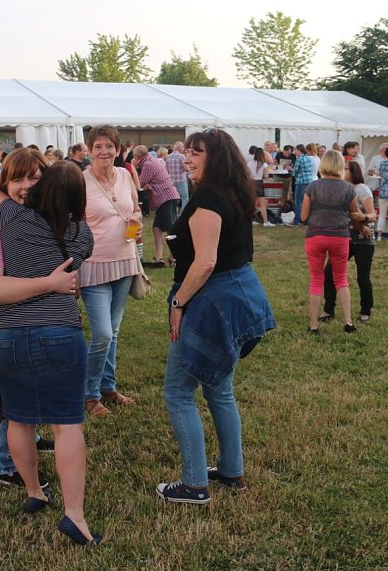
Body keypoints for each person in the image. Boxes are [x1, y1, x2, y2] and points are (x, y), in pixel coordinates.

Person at [0, 161, 100, 544]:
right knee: (66, 425)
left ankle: (34, 491)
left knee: (18, 418)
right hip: (59, 332)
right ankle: (74, 515)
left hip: (7, 335)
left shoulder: (12, 218)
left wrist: (12, 188)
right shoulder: (82, 234)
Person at [156, 128, 275, 504]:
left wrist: (178, 305)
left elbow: (205, 262)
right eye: (187, 151)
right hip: (235, 291)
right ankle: (230, 469)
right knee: (219, 389)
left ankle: (194, 484)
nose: (187, 158)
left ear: (216, 157)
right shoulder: (234, 189)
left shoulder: (208, 196)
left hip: (211, 298)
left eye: (197, 152)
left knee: (178, 391)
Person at [0, 148, 64, 487]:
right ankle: (7, 466)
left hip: (13, 309)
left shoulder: (39, 214)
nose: (26, 186)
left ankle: (27, 441)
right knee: (16, 390)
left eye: (34, 177)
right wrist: (50, 284)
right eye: (17, 178)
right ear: (5, 184)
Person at [81, 126, 140, 417]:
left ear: (118, 149)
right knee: (102, 333)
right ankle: (89, 395)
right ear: (89, 149)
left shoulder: (126, 175)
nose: (104, 151)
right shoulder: (81, 181)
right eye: (98, 146)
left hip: (125, 260)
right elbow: (71, 224)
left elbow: (137, 208)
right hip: (93, 265)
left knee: (114, 332)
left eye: (110, 146)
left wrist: (136, 221)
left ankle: (108, 387)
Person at [302, 150, 364, 333]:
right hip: (340, 236)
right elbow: (354, 216)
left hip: (316, 235)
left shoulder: (312, 187)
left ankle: (314, 325)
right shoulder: (348, 188)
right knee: (341, 279)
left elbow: (304, 216)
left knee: (316, 279)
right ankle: (348, 322)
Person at [321, 161, 376, 324]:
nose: (342, 170)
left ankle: (366, 310)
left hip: (363, 241)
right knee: (329, 271)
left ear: (354, 171)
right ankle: (328, 310)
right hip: (343, 238)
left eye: (345, 169)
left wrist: (364, 219)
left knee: (362, 278)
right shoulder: (339, 189)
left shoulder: (362, 189)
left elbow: (373, 214)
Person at [132, 145, 180, 265]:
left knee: (171, 229)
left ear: (137, 157)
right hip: (166, 197)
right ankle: (159, 258)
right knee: (157, 228)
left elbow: (139, 184)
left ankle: (175, 257)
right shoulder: (151, 161)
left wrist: (132, 167)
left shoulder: (148, 165)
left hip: (166, 198)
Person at [246, 147, 274, 227]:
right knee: (262, 204)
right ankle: (265, 221)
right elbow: (266, 176)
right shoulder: (264, 164)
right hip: (259, 183)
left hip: (251, 182)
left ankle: (251, 219)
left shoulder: (250, 163)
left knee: (252, 203)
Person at [291, 144, 314, 225]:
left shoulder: (299, 159)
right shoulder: (307, 157)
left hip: (301, 181)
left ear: (298, 150)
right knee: (306, 201)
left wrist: (291, 169)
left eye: (295, 150)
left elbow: (295, 171)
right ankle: (306, 220)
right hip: (309, 181)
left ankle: (296, 220)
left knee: (297, 201)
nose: (295, 152)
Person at [167, 142, 189, 211]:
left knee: (174, 198)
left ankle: (175, 213)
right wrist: (189, 169)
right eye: (182, 147)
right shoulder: (181, 156)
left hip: (172, 180)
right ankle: (183, 213)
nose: (183, 149)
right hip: (181, 180)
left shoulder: (168, 156)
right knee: (184, 197)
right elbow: (185, 168)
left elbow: (167, 169)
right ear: (179, 147)